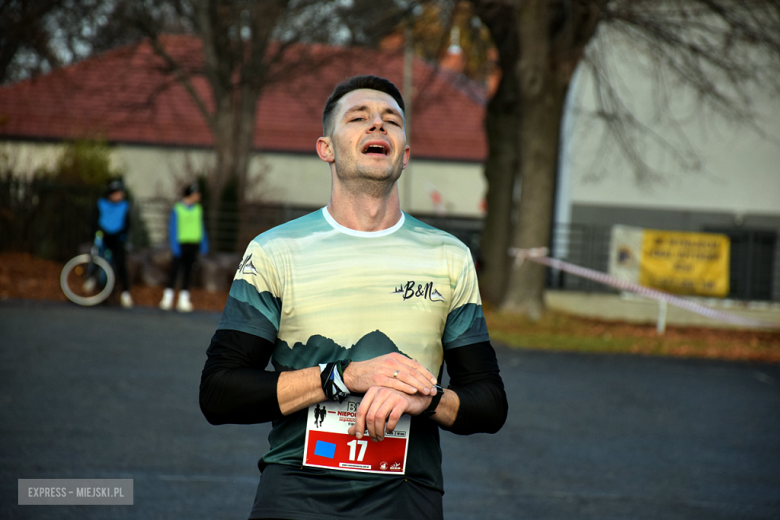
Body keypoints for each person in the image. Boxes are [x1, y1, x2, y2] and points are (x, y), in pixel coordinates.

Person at [199, 75, 508, 520]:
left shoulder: (449, 257)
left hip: (408, 494)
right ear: (326, 147)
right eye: (359, 118)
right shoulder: (275, 250)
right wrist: (343, 376)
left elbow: (490, 402)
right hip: (295, 491)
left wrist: (429, 399)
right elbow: (220, 392)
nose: (377, 126)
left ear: (405, 154)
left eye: (391, 122)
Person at [159, 183, 209, 312]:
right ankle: (168, 297)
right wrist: (174, 246)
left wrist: (204, 244)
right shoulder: (178, 209)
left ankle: (184, 298)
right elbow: (173, 228)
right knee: (175, 271)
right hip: (181, 244)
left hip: (194, 244)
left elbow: (201, 227)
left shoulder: (198, 209)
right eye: (196, 193)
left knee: (188, 272)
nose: (199, 196)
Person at [93, 179, 133, 308]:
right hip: (104, 238)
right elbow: (94, 222)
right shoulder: (101, 204)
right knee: (96, 260)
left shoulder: (124, 206)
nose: (119, 196)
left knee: (121, 265)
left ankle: (125, 293)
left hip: (117, 240)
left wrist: (119, 235)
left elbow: (127, 224)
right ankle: (94, 282)